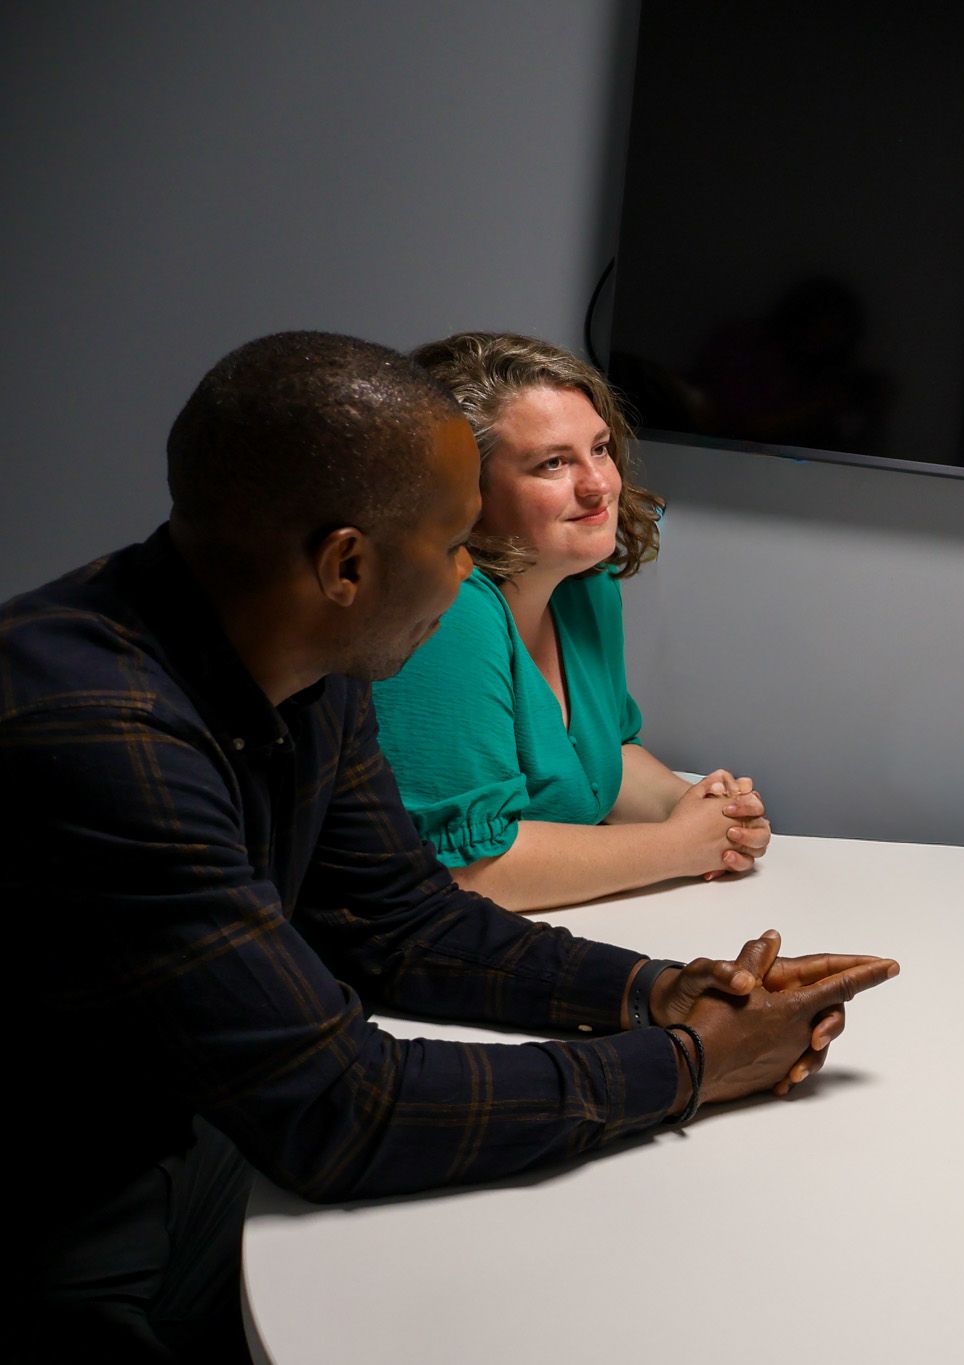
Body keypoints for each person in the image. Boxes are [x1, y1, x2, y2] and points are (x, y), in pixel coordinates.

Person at [6, 332, 899, 1362]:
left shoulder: (307, 655)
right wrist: (694, 1065)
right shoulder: (96, 734)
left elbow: (402, 922)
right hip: (66, 1226)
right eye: (451, 544)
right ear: (347, 564)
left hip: (193, 1140)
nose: (468, 573)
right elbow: (344, 1110)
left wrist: (664, 990)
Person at [372, 332, 763, 912]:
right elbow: (473, 871)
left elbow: (603, 756)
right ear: (464, 493)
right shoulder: (446, 613)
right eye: (552, 463)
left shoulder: (584, 588)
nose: (598, 484)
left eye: (600, 449)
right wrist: (676, 846)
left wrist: (707, 814)